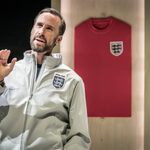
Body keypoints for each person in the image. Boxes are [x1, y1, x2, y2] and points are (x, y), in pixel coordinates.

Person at [0, 8, 91, 150]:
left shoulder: (72, 81)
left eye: (49, 28)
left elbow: (79, 136)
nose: (41, 32)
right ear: (32, 29)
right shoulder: (7, 72)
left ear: (58, 39)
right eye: (39, 25)